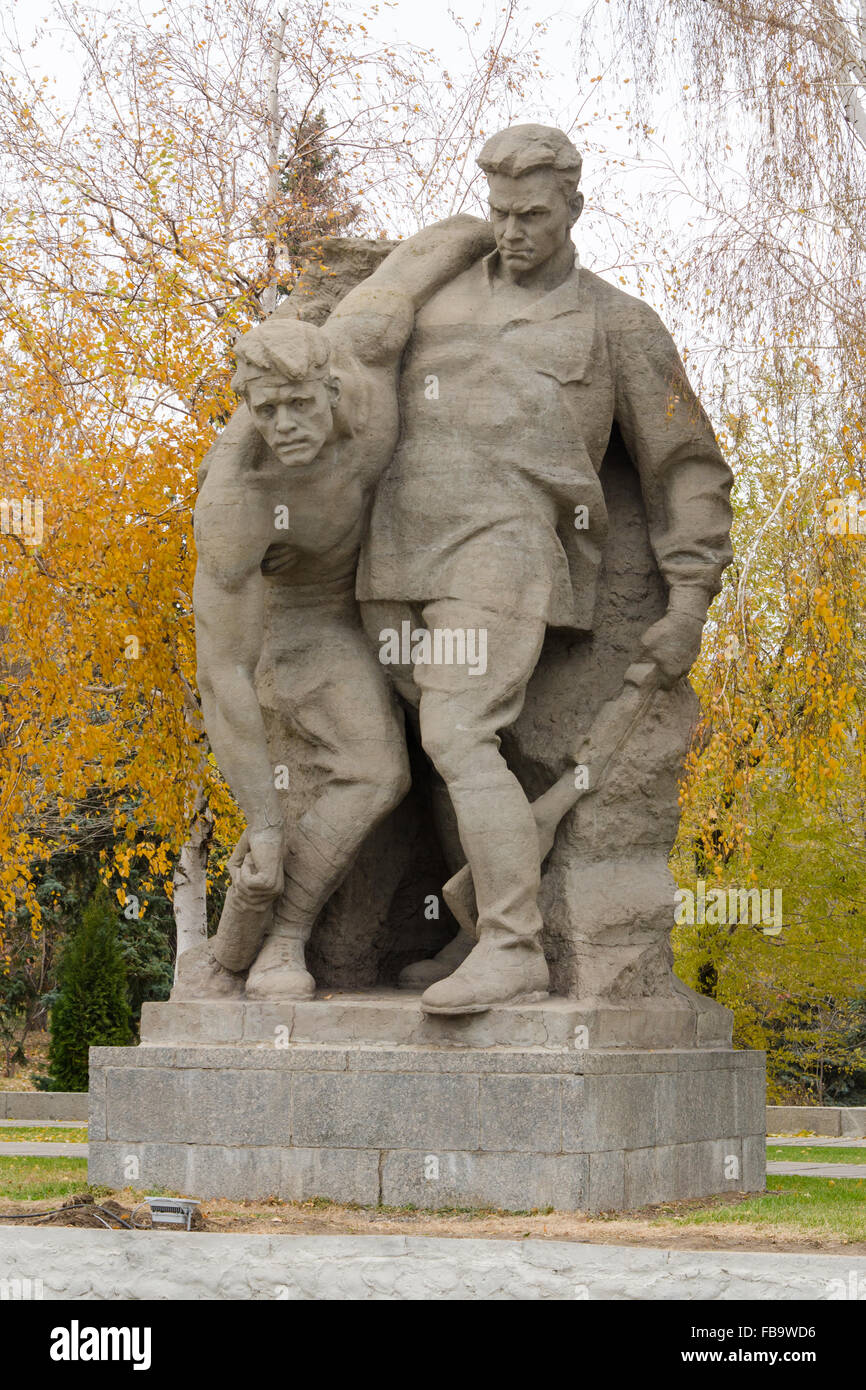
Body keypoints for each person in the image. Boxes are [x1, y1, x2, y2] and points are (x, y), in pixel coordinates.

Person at [357, 124, 734, 1014]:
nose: (513, 229)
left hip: (509, 545)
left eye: (532, 213)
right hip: (391, 556)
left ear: (574, 208)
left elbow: (686, 465)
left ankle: (516, 946)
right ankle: (477, 918)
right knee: (446, 746)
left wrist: (688, 599)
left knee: (456, 733)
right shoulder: (436, 292)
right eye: (499, 211)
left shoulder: (620, 324)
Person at [176, 215, 495, 1000]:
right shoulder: (238, 497)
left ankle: (495, 932)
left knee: (478, 730)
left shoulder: (369, 347)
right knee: (372, 768)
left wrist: (507, 235)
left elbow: (430, 251)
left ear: (330, 385)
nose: (281, 425)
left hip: (406, 582)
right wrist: (265, 822)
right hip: (312, 618)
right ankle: (283, 940)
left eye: (295, 405)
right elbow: (223, 672)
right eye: (263, 408)